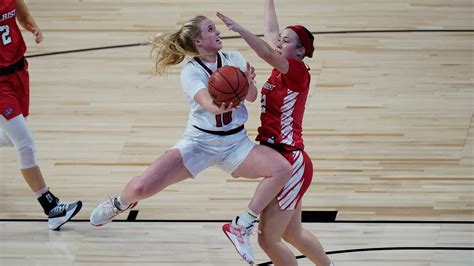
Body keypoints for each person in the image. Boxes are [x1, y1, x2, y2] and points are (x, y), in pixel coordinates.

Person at [89, 15, 292, 265]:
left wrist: (248, 83)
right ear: (198, 41)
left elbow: (251, 97)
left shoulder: (234, 58)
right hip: (199, 143)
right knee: (142, 188)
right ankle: (119, 203)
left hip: (235, 143)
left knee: (282, 169)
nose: (217, 31)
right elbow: (210, 106)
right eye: (210, 29)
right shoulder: (191, 72)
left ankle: (242, 224)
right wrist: (228, 101)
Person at [217, 1, 334, 265]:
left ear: (300, 51)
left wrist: (239, 29)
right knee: (293, 233)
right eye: (280, 40)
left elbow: (268, 54)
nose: (279, 42)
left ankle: (241, 224)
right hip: (280, 157)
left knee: (268, 239)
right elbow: (271, 31)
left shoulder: (297, 73)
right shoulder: (282, 64)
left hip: (290, 160)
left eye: (286, 41)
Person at [0, 0, 82, 230]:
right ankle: (51, 207)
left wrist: (32, 26)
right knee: (25, 144)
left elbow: (22, 15)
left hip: (18, 73)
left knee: (9, 137)